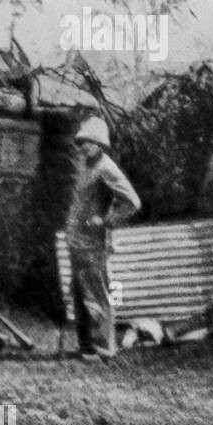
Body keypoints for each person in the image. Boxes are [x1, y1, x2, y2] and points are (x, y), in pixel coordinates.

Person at [65, 116, 141, 360]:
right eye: (82, 141)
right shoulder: (86, 165)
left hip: (92, 245)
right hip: (76, 242)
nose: (84, 146)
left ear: (100, 144)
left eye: (89, 141)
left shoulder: (106, 168)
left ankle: (104, 347)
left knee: (97, 296)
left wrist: (105, 220)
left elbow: (132, 202)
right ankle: (86, 347)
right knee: (80, 296)